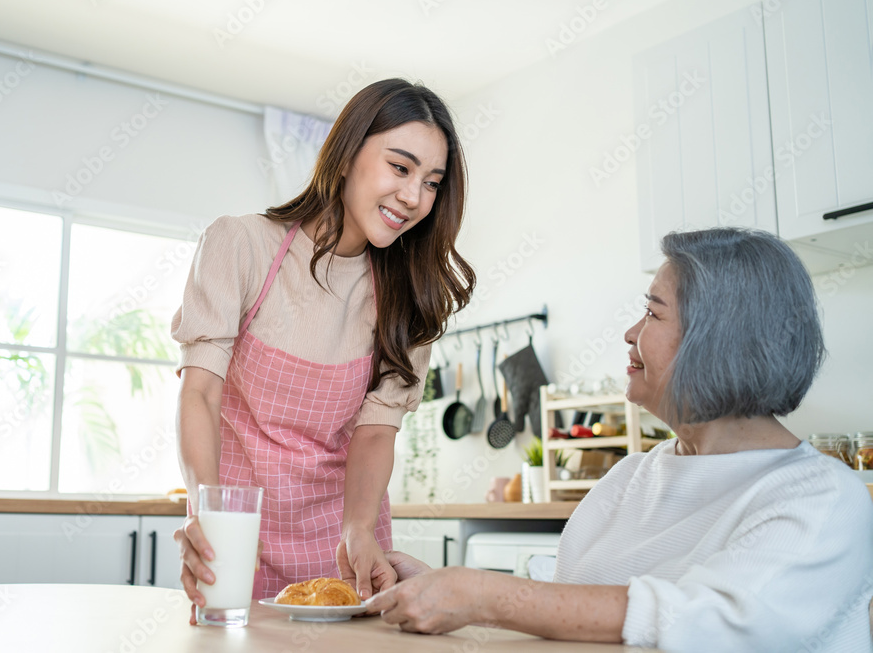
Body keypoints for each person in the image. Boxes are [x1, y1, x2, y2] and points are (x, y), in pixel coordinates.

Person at [366, 228, 873, 650]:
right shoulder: (632, 475)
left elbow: (719, 621)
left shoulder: (824, 498)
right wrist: (438, 585)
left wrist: (483, 595)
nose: (631, 333)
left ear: (717, 340)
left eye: (653, 314)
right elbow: (566, 602)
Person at [170, 78, 475, 620]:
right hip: (238, 541)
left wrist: (359, 530)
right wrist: (208, 514)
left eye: (432, 182)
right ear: (345, 154)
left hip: (347, 551)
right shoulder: (241, 245)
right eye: (400, 168)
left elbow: (376, 431)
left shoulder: (410, 298)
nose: (414, 197)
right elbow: (200, 396)